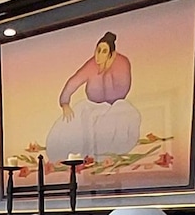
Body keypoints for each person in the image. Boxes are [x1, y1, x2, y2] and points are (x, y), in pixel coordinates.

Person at [45, 30, 141, 163]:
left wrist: (106, 73)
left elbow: (123, 88)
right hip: (93, 105)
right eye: (98, 50)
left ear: (111, 54)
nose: (99, 55)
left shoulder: (122, 62)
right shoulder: (91, 65)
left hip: (116, 107)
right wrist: (65, 102)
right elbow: (74, 81)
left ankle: (106, 154)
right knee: (74, 118)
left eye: (103, 51)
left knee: (122, 117)